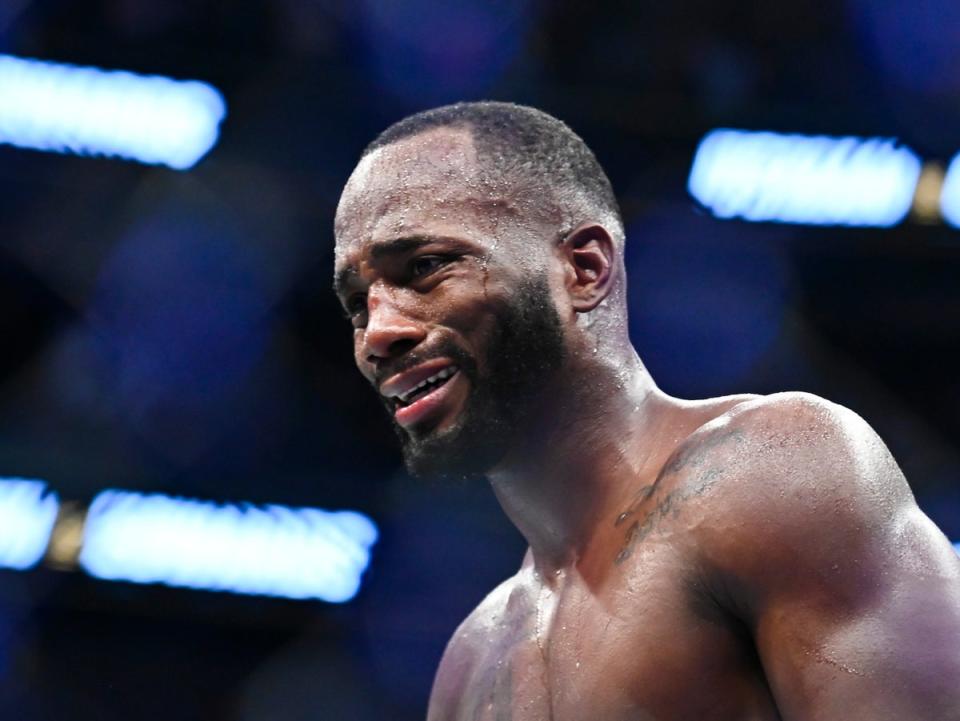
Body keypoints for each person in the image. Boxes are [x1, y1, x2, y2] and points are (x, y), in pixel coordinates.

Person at [333, 101, 960, 720]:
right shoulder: (471, 667)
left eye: (426, 268)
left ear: (584, 268)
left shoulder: (767, 476)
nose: (377, 334)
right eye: (358, 303)